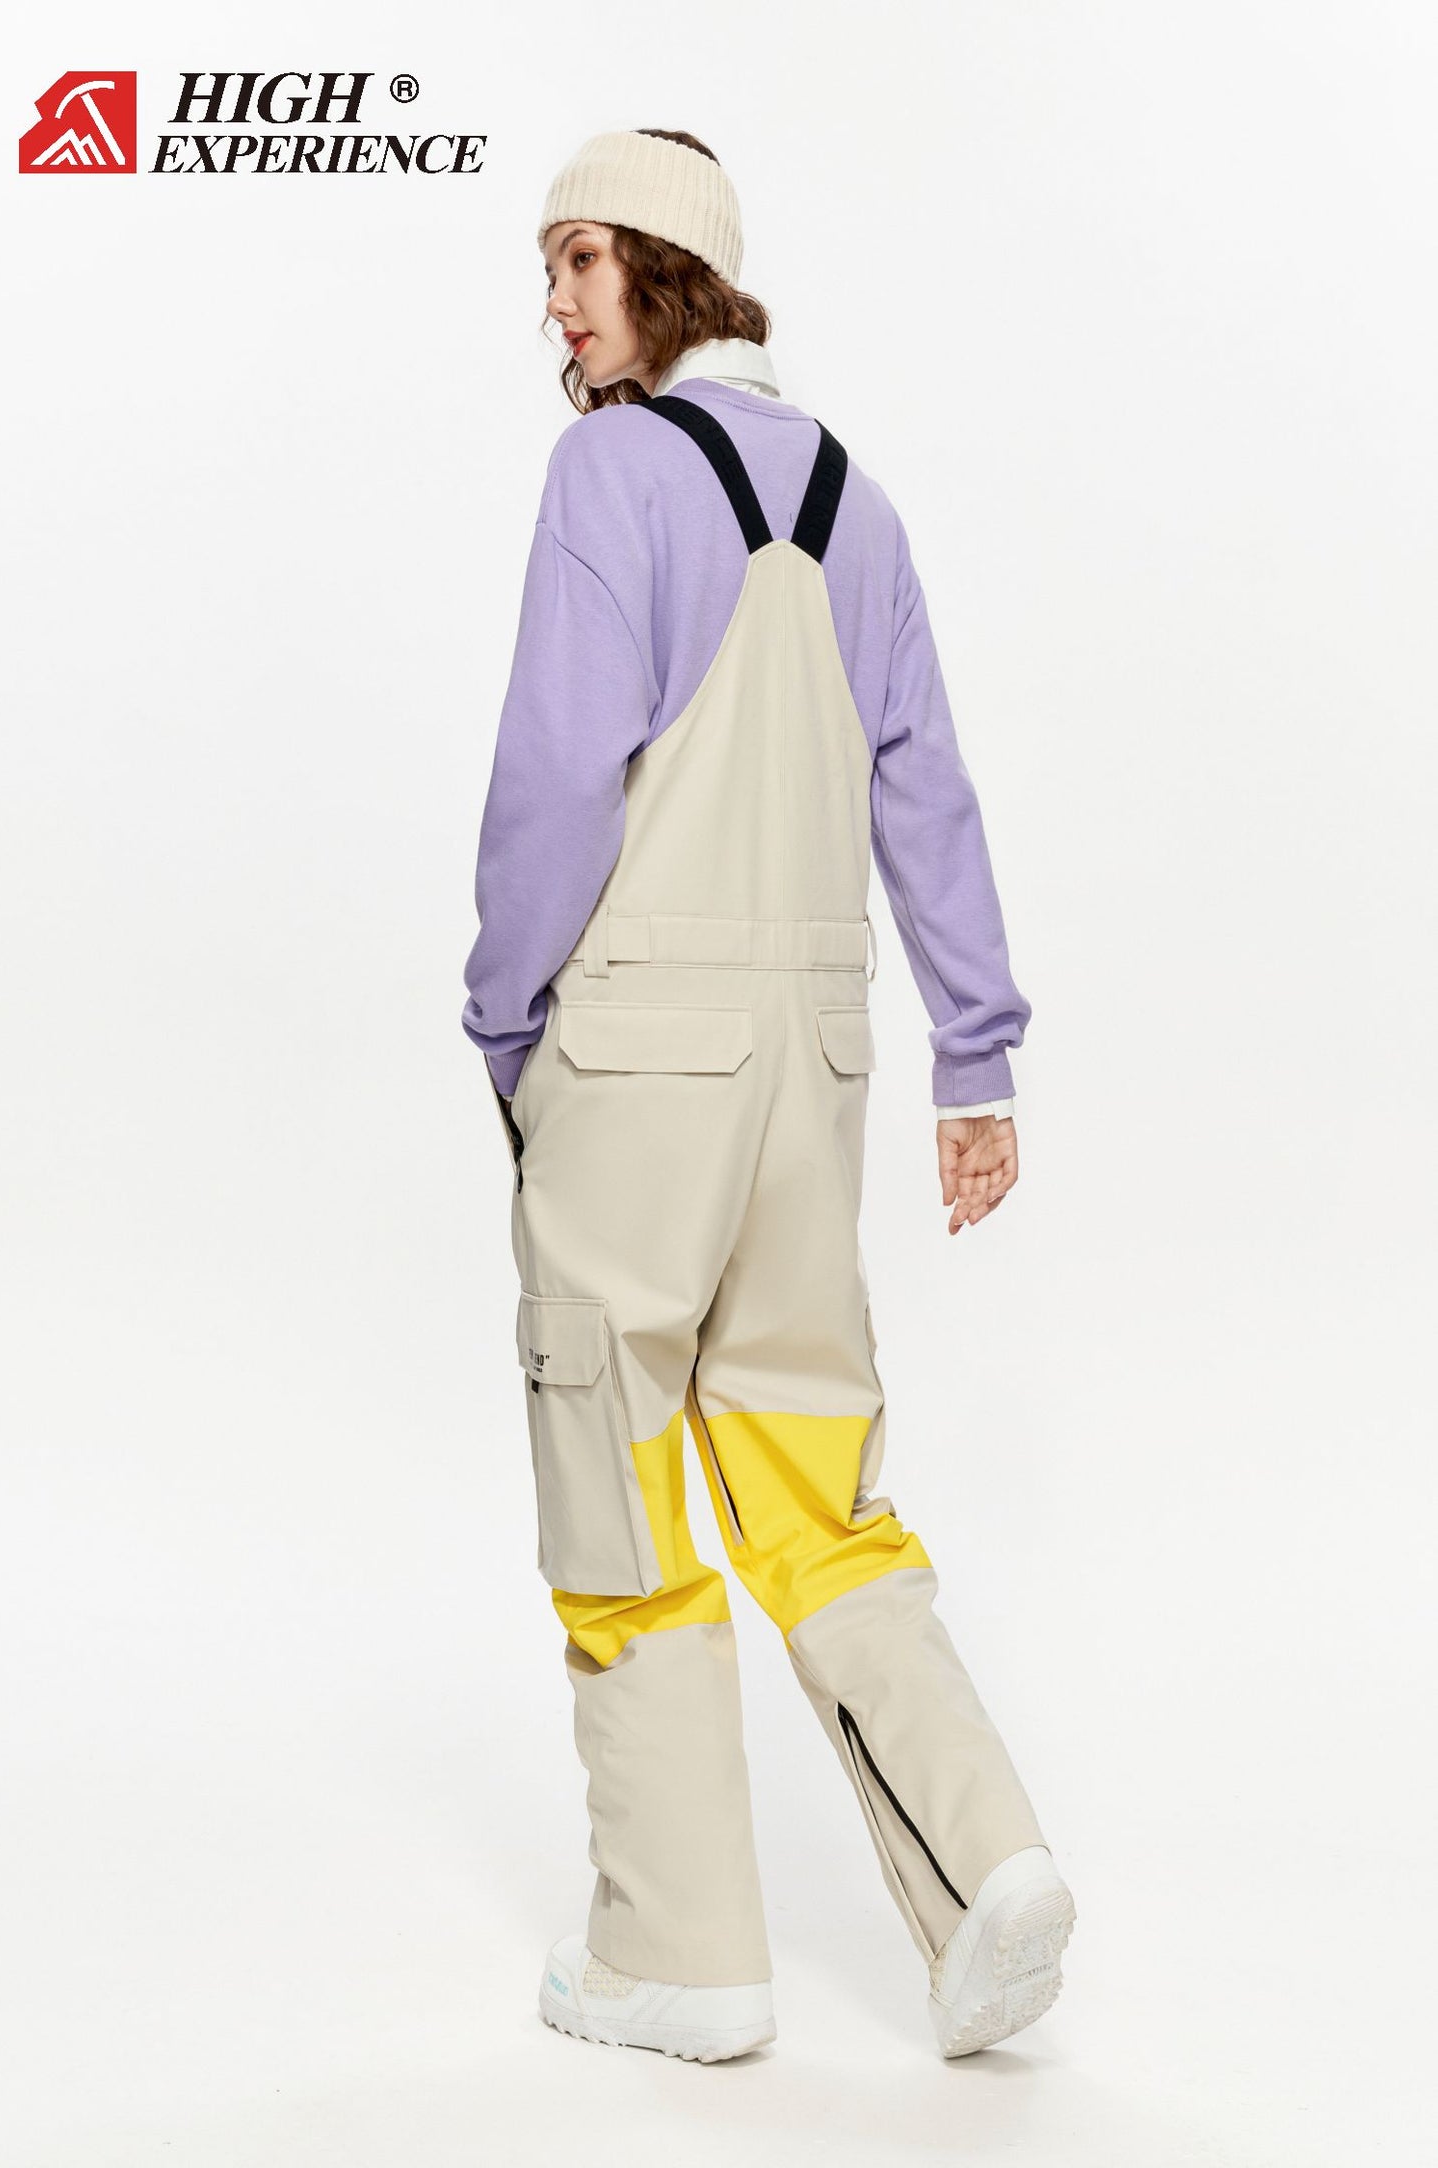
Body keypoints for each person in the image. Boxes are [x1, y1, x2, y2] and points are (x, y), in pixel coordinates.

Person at [460, 126, 1076, 2064]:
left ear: (672, 266)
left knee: (621, 1469)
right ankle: (988, 1864)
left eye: (581, 259)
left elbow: (556, 778)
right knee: (813, 1484)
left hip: (638, 1057)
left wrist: (504, 1017)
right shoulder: (856, 502)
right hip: (814, 1067)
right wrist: (973, 1052)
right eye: (548, 267)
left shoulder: (611, 472)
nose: (555, 304)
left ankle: (683, 1953)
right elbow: (926, 783)